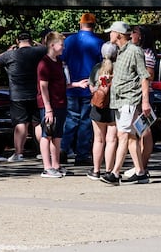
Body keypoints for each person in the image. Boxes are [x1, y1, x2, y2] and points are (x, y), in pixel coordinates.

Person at [101, 21, 151, 185]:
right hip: (120, 100)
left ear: (118, 35)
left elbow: (144, 77)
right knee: (130, 136)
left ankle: (115, 173)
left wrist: (145, 102)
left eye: (112, 32)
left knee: (122, 135)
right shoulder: (120, 52)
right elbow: (127, 75)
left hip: (129, 100)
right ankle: (140, 172)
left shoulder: (134, 51)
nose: (109, 35)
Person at [0, 32, 47, 161]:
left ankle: (18, 153)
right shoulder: (40, 51)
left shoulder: (11, 54)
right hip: (36, 93)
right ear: (31, 40)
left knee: (21, 123)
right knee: (38, 124)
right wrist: (38, 44)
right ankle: (43, 152)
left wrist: (6, 51)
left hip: (18, 94)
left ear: (17, 40)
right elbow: (52, 52)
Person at [61, 13, 102, 167]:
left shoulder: (69, 41)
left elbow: (61, 61)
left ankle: (62, 150)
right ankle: (82, 155)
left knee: (71, 120)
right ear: (94, 25)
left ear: (80, 24)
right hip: (90, 88)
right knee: (85, 121)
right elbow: (102, 67)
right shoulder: (98, 43)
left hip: (71, 87)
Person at [128, 25, 159, 174]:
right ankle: (140, 164)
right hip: (138, 95)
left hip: (143, 95)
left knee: (144, 130)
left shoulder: (146, 54)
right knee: (139, 130)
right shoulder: (137, 51)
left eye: (134, 32)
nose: (130, 35)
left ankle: (142, 164)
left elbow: (150, 75)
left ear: (141, 36)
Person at [36, 31, 67, 177]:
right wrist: (48, 108)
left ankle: (56, 165)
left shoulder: (59, 62)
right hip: (50, 104)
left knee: (57, 135)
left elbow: (61, 83)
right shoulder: (44, 63)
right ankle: (47, 167)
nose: (63, 48)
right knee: (47, 134)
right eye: (61, 45)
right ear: (52, 45)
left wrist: (76, 84)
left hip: (60, 102)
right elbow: (43, 87)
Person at [89, 41, 119, 180]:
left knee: (98, 140)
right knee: (111, 140)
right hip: (114, 106)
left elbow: (92, 88)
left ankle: (96, 171)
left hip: (98, 107)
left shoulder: (97, 68)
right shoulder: (118, 68)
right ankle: (109, 171)